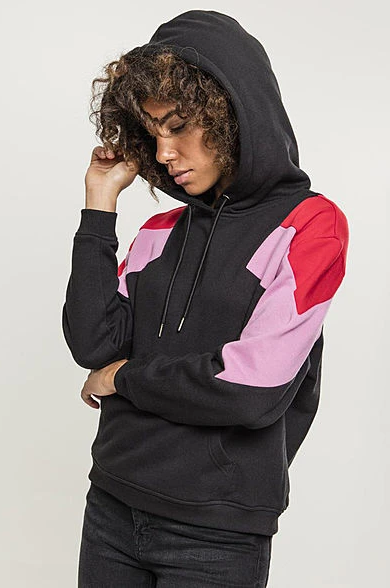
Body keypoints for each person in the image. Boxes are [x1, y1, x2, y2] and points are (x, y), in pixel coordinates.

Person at [62, 9, 349, 587]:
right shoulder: (159, 231)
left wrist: (125, 379)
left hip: (216, 534)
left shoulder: (310, 227)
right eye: (152, 132)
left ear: (230, 114)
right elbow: (93, 344)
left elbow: (250, 388)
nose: (164, 152)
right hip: (112, 505)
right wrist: (99, 206)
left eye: (177, 126)